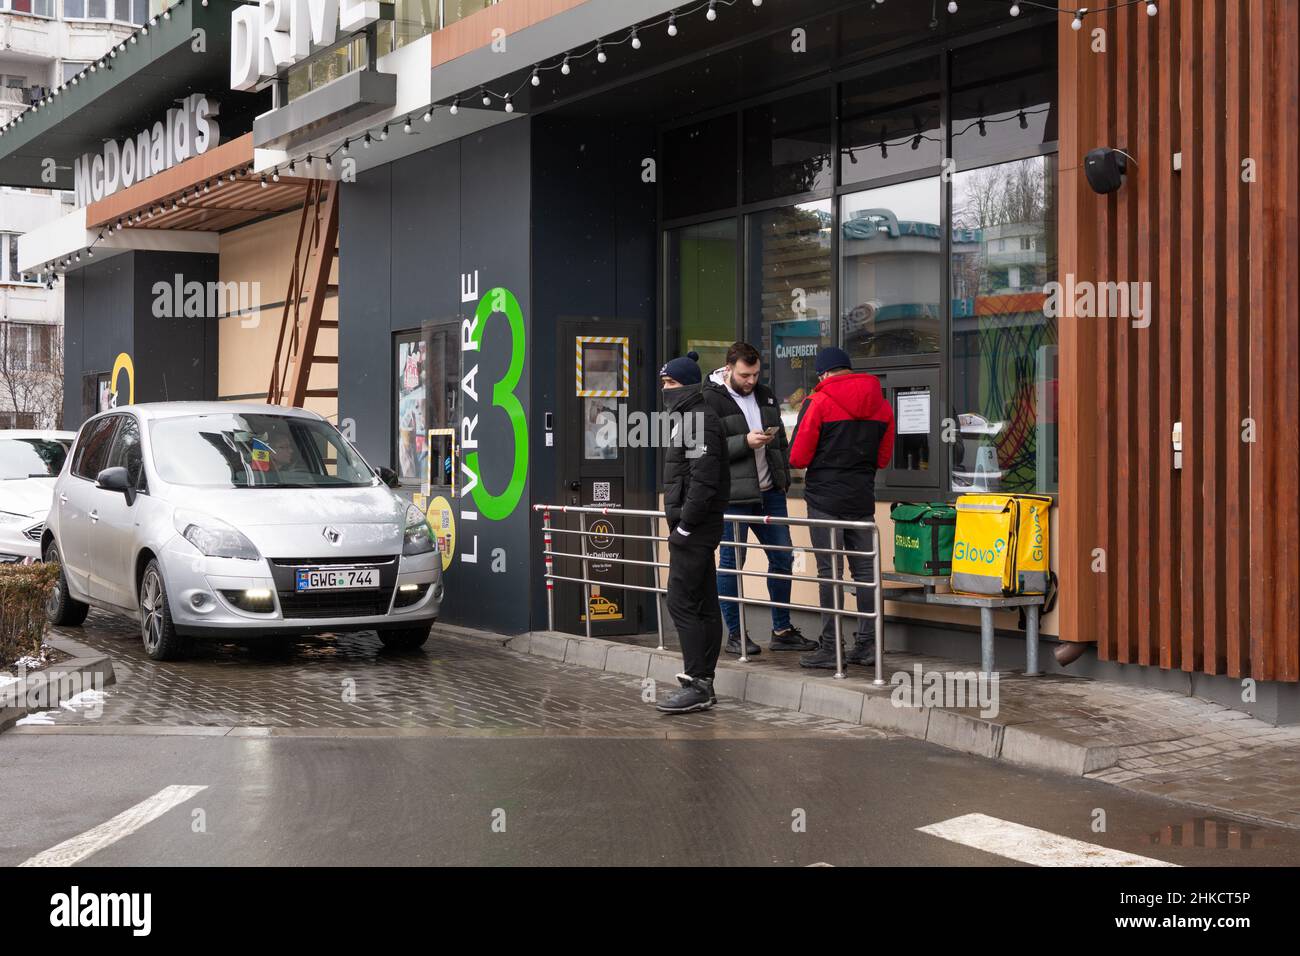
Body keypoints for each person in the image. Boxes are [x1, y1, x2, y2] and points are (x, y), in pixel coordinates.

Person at [702, 342, 817, 656]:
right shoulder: (709, 398)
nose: (750, 380)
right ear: (728, 368)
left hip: (770, 494)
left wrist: (782, 476)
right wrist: (745, 442)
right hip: (732, 497)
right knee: (732, 564)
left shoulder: (765, 394)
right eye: (744, 374)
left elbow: (779, 440)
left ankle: (781, 630)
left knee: (783, 557)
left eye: (755, 373)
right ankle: (737, 636)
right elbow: (703, 449)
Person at [788, 347, 895, 669]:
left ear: (823, 374)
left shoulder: (818, 402)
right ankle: (868, 644)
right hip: (861, 498)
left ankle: (832, 647)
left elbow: (797, 458)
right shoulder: (882, 405)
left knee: (829, 573)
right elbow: (883, 458)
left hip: (825, 501)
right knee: (864, 573)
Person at [656, 351, 730, 714]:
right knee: (701, 601)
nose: (664, 389)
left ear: (686, 384)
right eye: (663, 382)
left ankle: (698, 681)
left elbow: (703, 479)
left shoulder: (698, 420)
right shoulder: (689, 417)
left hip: (694, 528)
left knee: (681, 600)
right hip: (693, 526)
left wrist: (684, 525)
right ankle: (703, 682)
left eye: (669, 383)